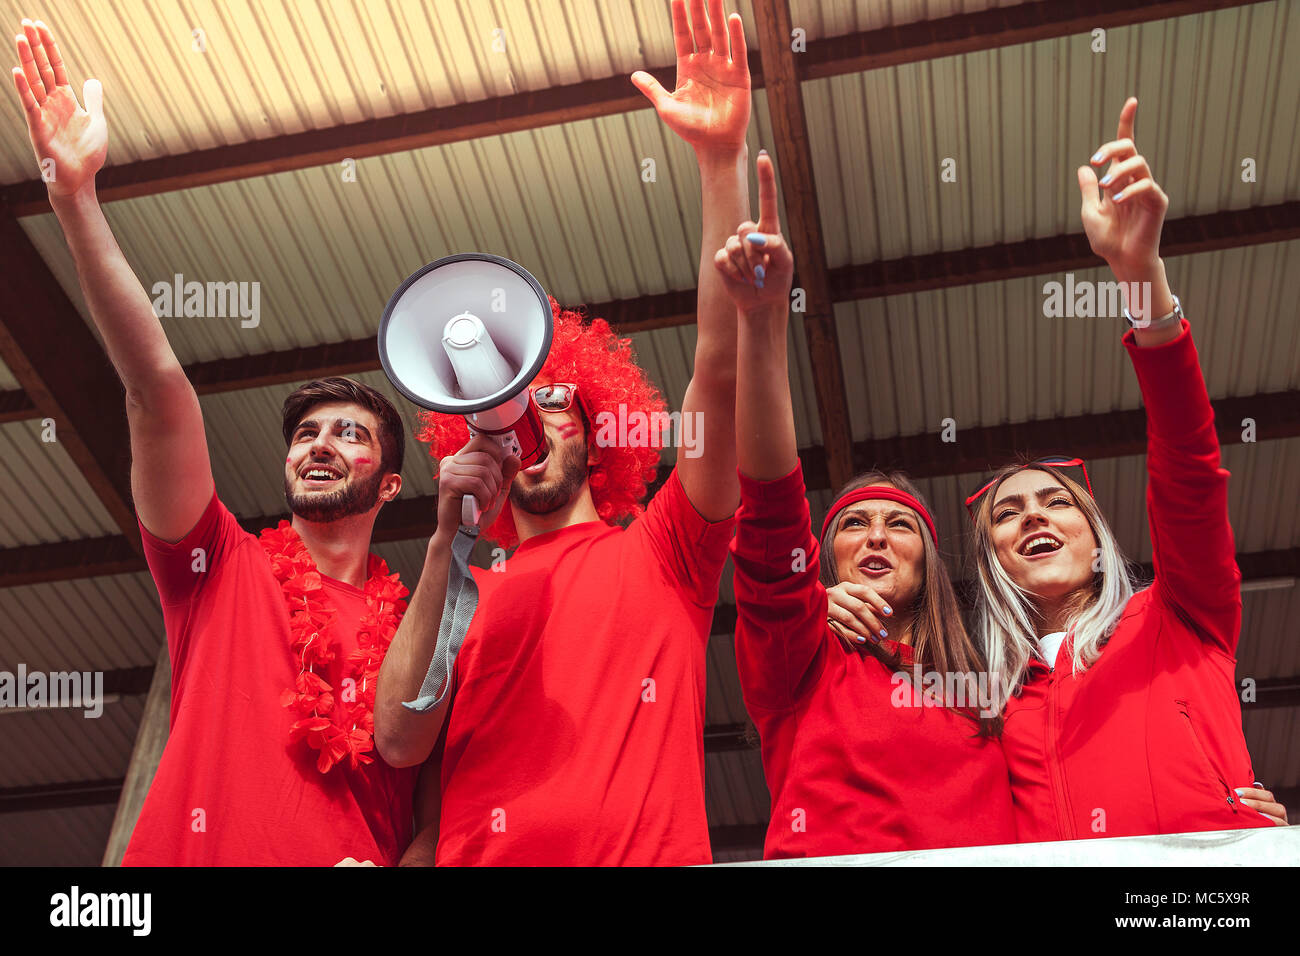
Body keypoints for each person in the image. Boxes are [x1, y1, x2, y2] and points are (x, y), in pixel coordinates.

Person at [11, 19, 417, 865]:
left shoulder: (425, 633)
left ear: (389, 487)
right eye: (306, 433)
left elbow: (449, 814)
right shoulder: (217, 567)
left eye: (349, 434)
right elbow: (158, 392)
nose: (320, 445)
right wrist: (76, 201)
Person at [374, 0, 750, 866]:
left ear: (595, 429)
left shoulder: (665, 550)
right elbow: (398, 740)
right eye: (506, 404)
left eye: (553, 401)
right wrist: (445, 542)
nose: (526, 417)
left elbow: (720, 375)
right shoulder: (465, 593)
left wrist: (720, 165)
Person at [966, 98, 1289, 839]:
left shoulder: (1182, 612)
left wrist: (1140, 277)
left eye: (1056, 502)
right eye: (1008, 514)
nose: (1034, 516)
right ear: (990, 563)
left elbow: (1189, 466)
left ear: (1097, 535)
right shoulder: (981, 704)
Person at [716, 152, 1017, 859]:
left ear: (930, 561)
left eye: (899, 524)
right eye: (853, 522)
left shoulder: (992, 693)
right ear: (827, 556)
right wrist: (761, 328)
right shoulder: (804, 656)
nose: (877, 533)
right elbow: (768, 509)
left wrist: (1219, 817)